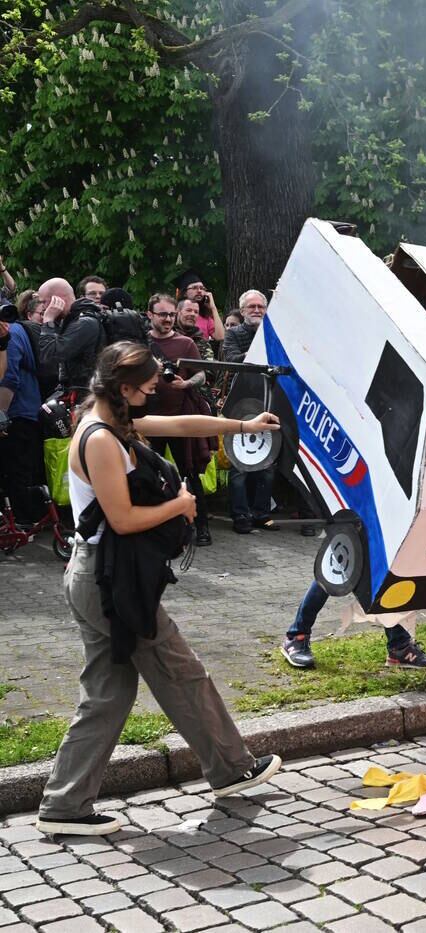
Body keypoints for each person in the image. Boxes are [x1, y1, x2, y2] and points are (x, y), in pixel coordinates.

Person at [36, 342, 282, 837]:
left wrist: (242, 428)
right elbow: (124, 520)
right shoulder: (102, 439)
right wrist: (182, 504)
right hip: (109, 582)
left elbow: (177, 425)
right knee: (181, 671)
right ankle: (232, 768)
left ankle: (64, 805)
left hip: (97, 578)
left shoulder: (111, 420)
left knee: (107, 694)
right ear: (123, 388)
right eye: (148, 387)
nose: (155, 393)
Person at [145, 294, 215, 546]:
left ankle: (202, 526)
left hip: (179, 419)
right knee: (149, 475)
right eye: (162, 314)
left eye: (171, 314)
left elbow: (201, 375)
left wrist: (186, 383)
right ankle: (153, 527)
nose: (167, 319)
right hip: (148, 421)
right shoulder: (140, 342)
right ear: (150, 314)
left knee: (189, 472)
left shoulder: (185, 343)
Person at [281, 580, 426, 669]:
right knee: (331, 572)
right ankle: (296, 636)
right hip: (349, 525)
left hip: (384, 527)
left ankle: (400, 647)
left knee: (383, 577)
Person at [221, 290, 278, 534]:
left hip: (270, 401)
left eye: (260, 307)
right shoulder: (233, 333)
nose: (256, 310)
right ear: (242, 311)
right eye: (251, 307)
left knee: (268, 463)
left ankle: (261, 514)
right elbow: (231, 357)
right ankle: (241, 516)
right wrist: (259, 356)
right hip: (241, 405)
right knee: (239, 464)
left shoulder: (276, 332)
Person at [0, 305, 46, 523]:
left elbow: (8, 377)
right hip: (25, 411)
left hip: (16, 413)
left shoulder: (12, 332)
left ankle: (23, 522)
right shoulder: (17, 330)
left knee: (17, 472)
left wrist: (1, 416)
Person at [35, 278, 103, 402]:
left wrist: (49, 321)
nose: (43, 307)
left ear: (57, 299)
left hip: (89, 397)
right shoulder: (71, 320)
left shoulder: (84, 323)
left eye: (44, 302)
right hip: (82, 394)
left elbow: (49, 357)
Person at [174, 271, 226, 347]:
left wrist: (213, 308)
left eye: (202, 288)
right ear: (184, 292)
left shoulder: (205, 316)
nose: (199, 291)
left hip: (200, 355)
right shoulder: (173, 313)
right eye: (194, 288)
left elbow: (220, 337)